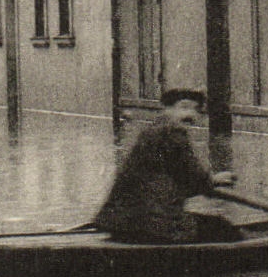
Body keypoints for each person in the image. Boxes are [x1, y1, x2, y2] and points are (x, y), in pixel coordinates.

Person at [95, 89, 242, 244]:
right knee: (223, 227)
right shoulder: (173, 133)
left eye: (196, 110)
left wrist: (208, 181)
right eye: (184, 107)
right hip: (154, 223)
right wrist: (214, 181)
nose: (190, 115)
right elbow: (194, 178)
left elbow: (180, 178)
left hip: (119, 222)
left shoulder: (151, 131)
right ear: (167, 109)